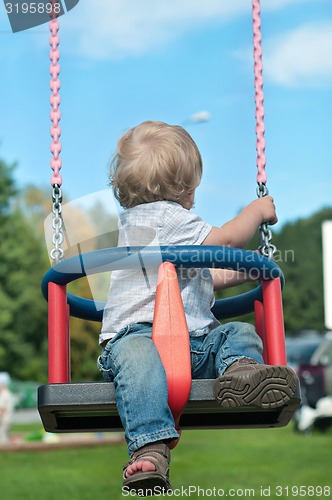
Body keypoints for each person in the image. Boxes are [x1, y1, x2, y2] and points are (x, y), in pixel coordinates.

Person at [97, 121, 297, 495]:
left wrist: (244, 269)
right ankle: (150, 446)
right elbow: (227, 238)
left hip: (192, 343)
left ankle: (241, 374)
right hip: (137, 339)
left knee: (234, 332)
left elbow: (204, 275)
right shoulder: (164, 217)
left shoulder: (150, 229)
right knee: (144, 362)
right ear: (186, 190)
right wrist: (256, 212)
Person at [0, 372, 15, 446]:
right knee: (5, 435)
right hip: (8, 419)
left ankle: (5, 450)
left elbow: (1, 410)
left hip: (4, 420)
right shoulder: (8, 394)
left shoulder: (3, 395)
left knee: (2, 438)